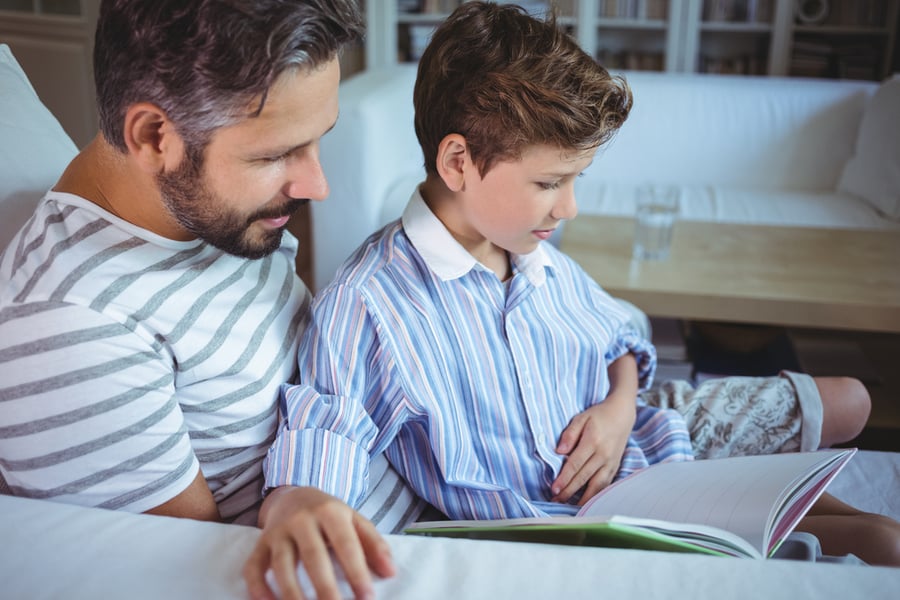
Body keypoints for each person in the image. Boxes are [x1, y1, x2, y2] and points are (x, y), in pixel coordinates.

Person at [263, 0, 900, 569]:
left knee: (849, 405)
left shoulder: (532, 253)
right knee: (875, 541)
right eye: (549, 183)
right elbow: (327, 431)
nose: (568, 207)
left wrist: (618, 412)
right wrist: (295, 503)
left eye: (577, 180)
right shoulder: (368, 301)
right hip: (590, 517)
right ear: (458, 161)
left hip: (642, 438)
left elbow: (618, 339)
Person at [0, 1, 415, 599]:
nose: (316, 186)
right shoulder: (69, 331)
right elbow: (197, 579)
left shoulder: (203, 215)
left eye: (317, 140)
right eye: (274, 155)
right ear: (153, 137)